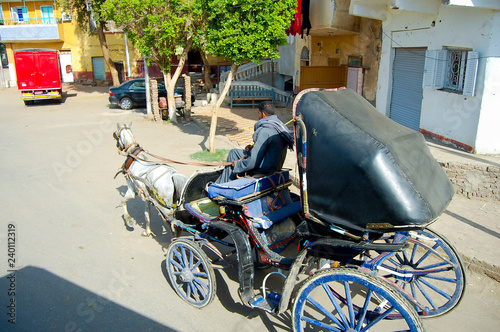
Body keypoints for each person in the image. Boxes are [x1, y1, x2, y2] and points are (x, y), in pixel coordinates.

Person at [214, 101, 294, 184]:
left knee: (233, 154)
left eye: (258, 113)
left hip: (266, 168)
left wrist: (238, 165)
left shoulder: (265, 131)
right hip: (274, 164)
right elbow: (269, 148)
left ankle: (222, 185)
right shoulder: (278, 125)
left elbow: (253, 161)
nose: (258, 115)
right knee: (235, 152)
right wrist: (253, 148)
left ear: (262, 114)